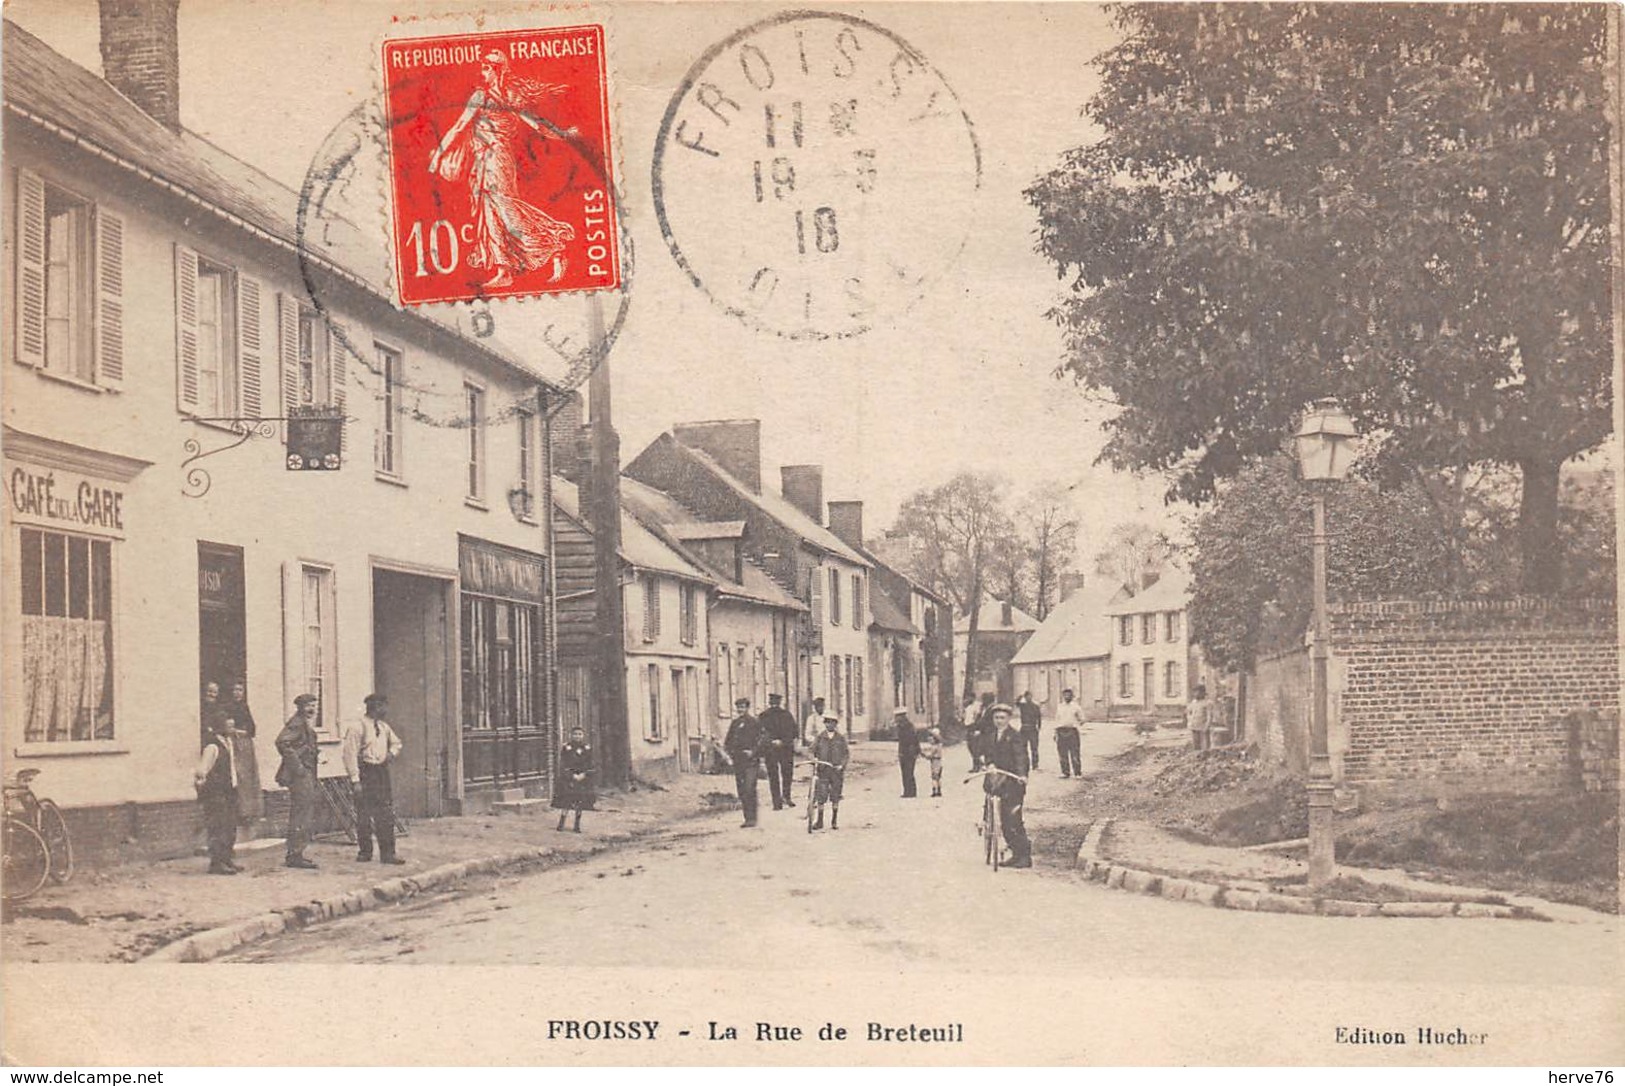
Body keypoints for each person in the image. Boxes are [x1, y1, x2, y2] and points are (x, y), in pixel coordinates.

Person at [428, 50, 576, 288]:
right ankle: (503, 269)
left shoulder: (502, 97)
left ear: (496, 70)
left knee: (505, 208)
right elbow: (459, 127)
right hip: (484, 159)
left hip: (497, 158)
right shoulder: (493, 96)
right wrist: (440, 152)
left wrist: (563, 134)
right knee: (491, 211)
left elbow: (535, 123)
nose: (482, 73)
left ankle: (553, 245)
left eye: (486, 69)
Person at [342, 694, 405, 864]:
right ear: (374, 707)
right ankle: (365, 852)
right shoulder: (357, 727)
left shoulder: (384, 727)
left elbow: (397, 743)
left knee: (385, 813)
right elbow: (349, 754)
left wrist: (390, 754)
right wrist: (355, 780)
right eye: (383, 706)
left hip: (381, 773)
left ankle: (388, 854)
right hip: (366, 773)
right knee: (364, 814)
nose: (385, 710)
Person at [274, 693, 321, 869]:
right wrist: (298, 767)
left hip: (306, 773)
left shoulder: (303, 723)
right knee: (301, 813)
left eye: (314, 706)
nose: (312, 710)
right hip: (301, 776)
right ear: (300, 707)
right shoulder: (297, 723)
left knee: (303, 812)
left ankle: (296, 853)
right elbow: (282, 742)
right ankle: (295, 854)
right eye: (308, 706)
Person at [986, 704, 1033, 868]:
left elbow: (1021, 756)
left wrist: (1022, 775)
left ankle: (1024, 856)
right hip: (997, 781)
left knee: (1013, 820)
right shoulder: (992, 735)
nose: (999, 721)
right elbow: (988, 754)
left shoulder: (1015, 736)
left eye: (1002, 718)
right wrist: (989, 764)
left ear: (1009, 719)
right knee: (1003, 821)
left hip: (1013, 782)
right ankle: (1015, 853)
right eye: (996, 718)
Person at [193, 715, 240, 875]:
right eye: (229, 727)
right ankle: (217, 863)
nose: (233, 730)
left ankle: (227, 859)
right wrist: (204, 791)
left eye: (233, 726)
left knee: (229, 827)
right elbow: (201, 771)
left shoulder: (229, 743)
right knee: (218, 828)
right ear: (221, 727)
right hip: (216, 794)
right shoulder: (212, 746)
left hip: (229, 791)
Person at [223, 679, 263, 825]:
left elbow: (252, 729)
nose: (238, 693)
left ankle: (248, 811)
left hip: (245, 744)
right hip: (233, 744)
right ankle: (239, 812)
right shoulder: (227, 707)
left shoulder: (244, 707)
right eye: (235, 690)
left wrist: (240, 731)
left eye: (240, 690)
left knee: (248, 776)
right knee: (238, 776)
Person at [723, 697, 762, 828]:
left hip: (751, 761)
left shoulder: (754, 722)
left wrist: (753, 752)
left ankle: (753, 818)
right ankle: (747, 818)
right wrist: (730, 754)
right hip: (738, 761)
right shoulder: (734, 723)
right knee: (742, 790)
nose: (740, 709)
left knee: (750, 787)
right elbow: (727, 741)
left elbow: (762, 740)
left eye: (743, 707)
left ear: (747, 708)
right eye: (738, 707)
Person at [759, 693, 799, 810]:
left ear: (779, 703)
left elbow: (793, 732)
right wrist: (771, 742)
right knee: (773, 775)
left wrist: (783, 741)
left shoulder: (786, 715)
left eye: (776, 703)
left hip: (785, 749)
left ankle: (786, 797)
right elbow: (760, 733)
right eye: (772, 703)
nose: (774, 705)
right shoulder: (763, 716)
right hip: (771, 750)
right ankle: (777, 801)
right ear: (769, 703)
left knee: (787, 773)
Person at [552, 725, 595, 832]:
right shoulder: (567, 748)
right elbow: (563, 764)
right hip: (569, 778)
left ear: (583, 736)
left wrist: (584, 774)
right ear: (571, 735)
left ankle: (577, 825)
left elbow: (591, 764)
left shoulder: (587, 748)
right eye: (575, 734)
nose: (577, 736)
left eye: (580, 734)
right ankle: (561, 823)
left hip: (582, 778)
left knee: (580, 802)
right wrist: (571, 775)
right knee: (566, 801)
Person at [810, 715, 849, 831]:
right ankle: (820, 821)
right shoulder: (820, 737)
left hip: (836, 771)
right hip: (823, 770)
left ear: (835, 724)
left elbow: (846, 754)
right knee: (821, 795)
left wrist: (842, 765)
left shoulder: (840, 738)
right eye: (827, 722)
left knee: (835, 795)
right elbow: (811, 750)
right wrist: (814, 758)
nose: (829, 725)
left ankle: (834, 820)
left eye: (832, 722)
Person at [1054, 688, 1086, 779]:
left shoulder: (1076, 707)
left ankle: (1077, 773)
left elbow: (1082, 719)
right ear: (1063, 696)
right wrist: (1055, 732)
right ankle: (1065, 772)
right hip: (1061, 731)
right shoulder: (1060, 706)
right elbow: (1057, 720)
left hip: (1072, 732)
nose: (1067, 697)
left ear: (1072, 696)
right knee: (1062, 753)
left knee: (1074, 753)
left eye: (1069, 695)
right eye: (1065, 695)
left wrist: (1075, 724)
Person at [894, 706, 920, 798]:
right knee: (905, 772)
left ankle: (911, 792)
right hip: (904, 752)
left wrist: (913, 752)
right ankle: (907, 791)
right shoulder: (901, 726)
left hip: (909, 753)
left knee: (908, 772)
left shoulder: (908, 727)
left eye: (897, 716)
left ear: (902, 717)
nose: (896, 718)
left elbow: (912, 740)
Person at [967, 692, 996, 771]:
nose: (983, 701)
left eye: (984, 699)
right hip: (983, 732)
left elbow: (986, 721)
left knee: (986, 750)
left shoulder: (992, 709)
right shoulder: (985, 708)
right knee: (978, 748)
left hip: (988, 733)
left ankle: (985, 765)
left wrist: (979, 729)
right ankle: (981, 765)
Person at [1017, 691, 1043, 771]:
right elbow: (1017, 702)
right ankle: (1025, 764)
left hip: (1032, 728)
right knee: (1023, 747)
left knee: (1034, 747)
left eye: (1029, 696)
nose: (1028, 698)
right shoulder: (1023, 706)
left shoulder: (1035, 706)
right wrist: (1020, 696)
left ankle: (1035, 765)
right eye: (1026, 696)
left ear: (1031, 697)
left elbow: (1039, 717)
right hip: (1024, 728)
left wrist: (1039, 726)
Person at [1187, 683, 1213, 752]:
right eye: (1194, 692)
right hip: (1194, 726)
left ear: (1203, 693)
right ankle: (1197, 757)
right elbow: (1189, 713)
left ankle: (1206, 757)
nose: (1195, 694)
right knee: (1196, 744)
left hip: (1203, 727)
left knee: (1205, 746)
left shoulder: (1207, 703)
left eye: (1197, 692)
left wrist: (1207, 726)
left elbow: (1209, 716)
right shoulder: (1193, 702)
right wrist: (1189, 722)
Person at [921, 724, 945, 798]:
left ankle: (934, 791)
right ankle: (939, 790)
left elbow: (930, 756)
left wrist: (924, 755)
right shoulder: (940, 745)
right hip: (940, 762)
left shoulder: (934, 747)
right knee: (939, 777)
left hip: (934, 762)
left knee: (934, 777)